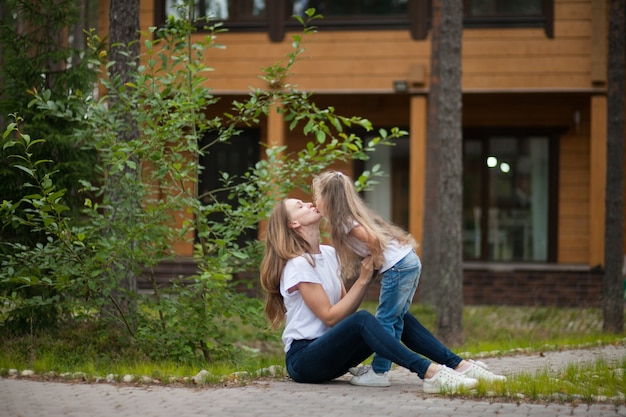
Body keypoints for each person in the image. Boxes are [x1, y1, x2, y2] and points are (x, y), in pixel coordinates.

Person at [259, 198, 505, 394]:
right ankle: (430, 373)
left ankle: (460, 366)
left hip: (333, 352)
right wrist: (364, 278)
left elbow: (345, 309)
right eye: (299, 206)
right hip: (305, 361)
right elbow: (331, 317)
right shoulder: (298, 265)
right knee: (365, 319)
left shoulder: (329, 253)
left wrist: (375, 266)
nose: (308, 203)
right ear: (293, 224)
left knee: (397, 315)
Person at [312, 170, 421, 386]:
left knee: (385, 319)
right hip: (408, 262)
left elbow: (372, 239)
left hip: (397, 267)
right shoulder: (349, 219)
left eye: (317, 195)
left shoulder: (345, 222)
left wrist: (376, 259)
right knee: (395, 319)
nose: (315, 200)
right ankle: (383, 367)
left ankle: (380, 373)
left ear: (329, 198)